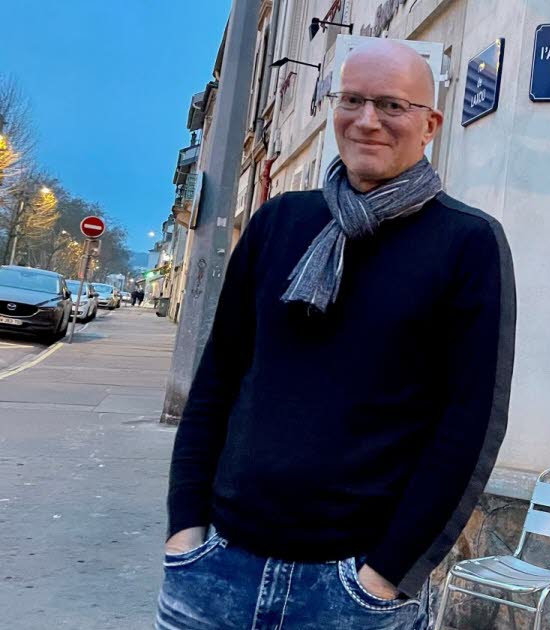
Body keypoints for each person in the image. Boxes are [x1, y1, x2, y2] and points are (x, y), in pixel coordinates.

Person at [157, 40, 516, 630]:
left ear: (430, 125)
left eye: (392, 105)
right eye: (352, 99)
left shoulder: (467, 244)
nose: (367, 120)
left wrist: (385, 576)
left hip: (352, 591)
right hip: (219, 568)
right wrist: (184, 532)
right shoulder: (279, 222)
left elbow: (470, 427)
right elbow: (217, 379)